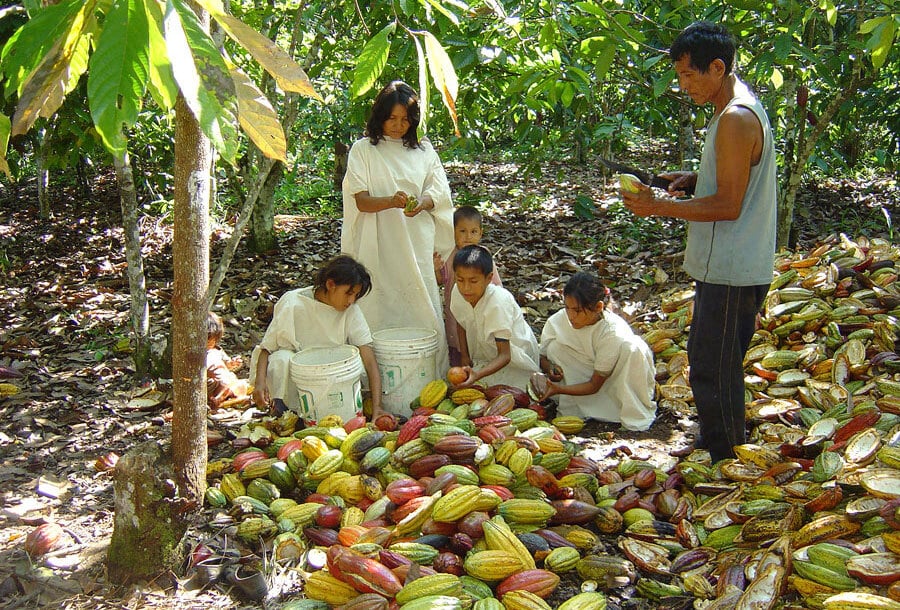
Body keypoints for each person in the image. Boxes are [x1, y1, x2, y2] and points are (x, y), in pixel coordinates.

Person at [621, 22, 777, 460]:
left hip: (733, 265)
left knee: (714, 365)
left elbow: (728, 205)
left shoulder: (736, 119)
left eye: (690, 75)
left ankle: (728, 457)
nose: (683, 84)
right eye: (679, 75)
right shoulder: (732, 107)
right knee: (710, 357)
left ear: (717, 67)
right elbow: (734, 182)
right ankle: (718, 441)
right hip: (728, 263)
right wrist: (695, 180)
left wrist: (659, 207)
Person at [341, 80, 455, 376]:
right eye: (392, 118)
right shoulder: (364, 150)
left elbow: (439, 192)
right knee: (375, 301)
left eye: (405, 119)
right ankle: (373, 376)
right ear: (380, 116)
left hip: (415, 242)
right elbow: (361, 201)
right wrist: (391, 201)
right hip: (376, 241)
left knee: (420, 299)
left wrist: (423, 203)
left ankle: (429, 374)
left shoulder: (424, 151)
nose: (398, 125)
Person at [249, 255, 384, 421]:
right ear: (330, 284)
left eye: (355, 295)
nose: (351, 300)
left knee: (356, 362)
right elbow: (267, 348)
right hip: (300, 378)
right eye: (348, 293)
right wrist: (260, 383)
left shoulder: (351, 311)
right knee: (281, 359)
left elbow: (369, 359)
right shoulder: (292, 303)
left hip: (335, 375)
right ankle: (285, 412)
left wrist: (377, 407)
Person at [539, 272, 656, 431]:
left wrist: (558, 389)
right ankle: (576, 407)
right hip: (577, 379)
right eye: (567, 308)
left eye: (578, 311)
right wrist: (550, 369)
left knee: (633, 347)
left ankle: (619, 408)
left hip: (608, 383)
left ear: (598, 307)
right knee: (555, 347)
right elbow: (543, 356)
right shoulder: (560, 320)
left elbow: (594, 385)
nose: (571, 316)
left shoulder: (611, 332)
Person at [450, 245, 540, 390]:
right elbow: (461, 320)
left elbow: (505, 355)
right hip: (485, 355)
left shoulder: (498, 303)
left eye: (473, 281)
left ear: (489, 278)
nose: (466, 288)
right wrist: (464, 355)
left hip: (516, 361)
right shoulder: (457, 292)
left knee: (515, 394)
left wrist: (477, 375)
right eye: (460, 280)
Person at [434, 206, 503, 366]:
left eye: (473, 232)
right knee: (458, 347)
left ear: (480, 233)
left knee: (480, 344)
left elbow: (496, 286)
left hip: (481, 311)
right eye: (462, 231)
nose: (468, 237)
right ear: (453, 232)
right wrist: (437, 269)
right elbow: (440, 281)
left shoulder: (482, 255)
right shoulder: (449, 256)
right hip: (455, 313)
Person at [206, 312, 251, 409]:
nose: (210, 344)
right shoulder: (199, 354)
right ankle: (217, 399)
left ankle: (221, 398)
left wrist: (232, 363)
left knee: (236, 383)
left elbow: (227, 365)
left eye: (213, 340)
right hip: (212, 384)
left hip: (225, 382)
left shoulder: (217, 350)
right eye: (208, 340)